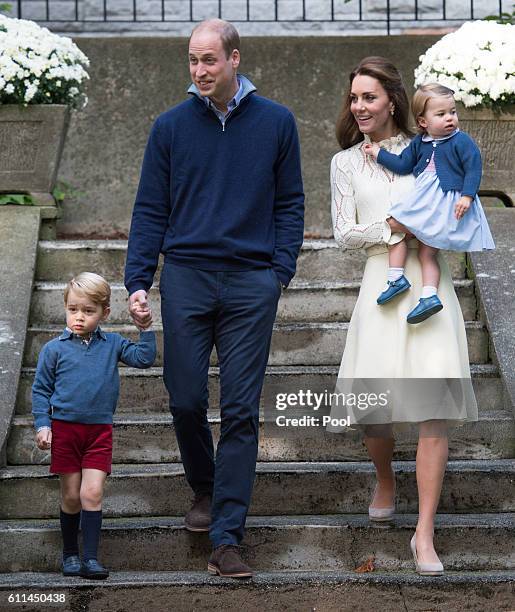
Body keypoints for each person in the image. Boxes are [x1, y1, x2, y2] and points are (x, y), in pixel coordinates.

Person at [124, 19, 304, 578]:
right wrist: (137, 279)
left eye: (209, 60)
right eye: (192, 61)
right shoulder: (170, 127)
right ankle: (204, 486)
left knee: (242, 411)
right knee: (183, 397)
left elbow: (290, 203)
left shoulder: (276, 122)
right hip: (187, 276)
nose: (199, 71)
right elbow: (150, 207)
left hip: (252, 282)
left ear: (234, 59)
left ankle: (227, 536)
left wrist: (279, 271)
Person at [329, 57, 478, 575]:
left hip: (428, 284)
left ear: (392, 100)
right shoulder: (346, 163)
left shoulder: (430, 148)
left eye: (369, 97)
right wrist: (395, 229)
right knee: (374, 405)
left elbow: (462, 200)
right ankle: (387, 478)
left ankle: (425, 533)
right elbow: (344, 233)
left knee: (434, 403)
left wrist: (434, 224)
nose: (360, 107)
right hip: (380, 282)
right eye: (354, 98)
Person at [32, 272, 156, 580]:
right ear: (65, 308)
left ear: (104, 313)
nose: (79, 317)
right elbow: (40, 390)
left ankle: (90, 558)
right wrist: (42, 425)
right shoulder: (54, 349)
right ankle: (70, 554)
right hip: (66, 432)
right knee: (72, 496)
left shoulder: (112, 344)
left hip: (99, 432)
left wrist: (146, 329)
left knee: (92, 493)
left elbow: (144, 359)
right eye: (73, 309)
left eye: (88, 311)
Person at [363, 83, 494, 324]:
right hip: (426, 203)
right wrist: (378, 154)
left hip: (443, 204)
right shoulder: (420, 143)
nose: (450, 119)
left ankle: (396, 278)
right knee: (425, 252)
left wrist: (467, 195)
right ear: (423, 121)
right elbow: (403, 164)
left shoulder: (461, 141)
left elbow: (473, 167)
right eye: (441, 114)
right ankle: (428, 295)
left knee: (396, 225)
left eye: (453, 112)